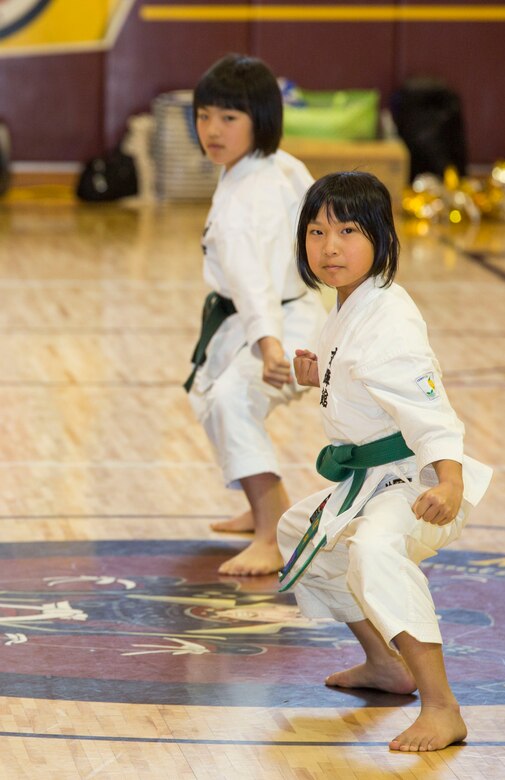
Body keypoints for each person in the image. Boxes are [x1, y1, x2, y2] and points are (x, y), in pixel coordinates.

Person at [277, 171, 492, 751]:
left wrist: (448, 482)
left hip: (416, 479)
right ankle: (384, 664)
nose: (329, 247)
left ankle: (443, 707)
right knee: (302, 531)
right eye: (317, 232)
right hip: (370, 479)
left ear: (380, 237)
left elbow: (434, 413)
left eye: (348, 230)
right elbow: (350, 375)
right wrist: (310, 371)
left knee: (374, 550)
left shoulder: (390, 322)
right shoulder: (349, 305)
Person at [185, 54, 326, 576]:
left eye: (228, 118)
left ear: (261, 119)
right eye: (204, 115)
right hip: (282, 312)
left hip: (279, 320)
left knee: (232, 401)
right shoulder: (275, 165)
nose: (212, 130)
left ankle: (272, 532)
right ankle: (256, 503)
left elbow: (253, 283)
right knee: (209, 392)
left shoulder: (249, 197)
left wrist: (269, 346)